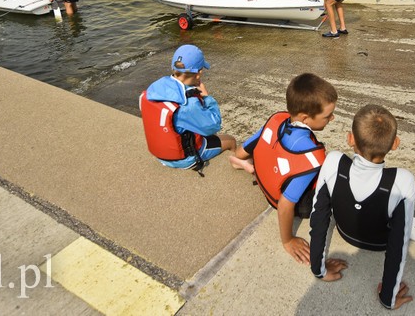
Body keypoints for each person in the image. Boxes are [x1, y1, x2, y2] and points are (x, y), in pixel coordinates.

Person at [309, 105, 415, 310]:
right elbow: (398, 244)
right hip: (379, 244)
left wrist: (319, 269)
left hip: (344, 232)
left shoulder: (333, 162)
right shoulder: (403, 181)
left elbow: (319, 217)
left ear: (350, 139)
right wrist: (388, 297)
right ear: (395, 144)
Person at [230, 73, 338, 264]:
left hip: (267, 182)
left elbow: (240, 152)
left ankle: (253, 168)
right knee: (334, 164)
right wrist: (288, 240)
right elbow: (285, 205)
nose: (332, 118)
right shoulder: (311, 157)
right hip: (290, 202)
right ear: (305, 118)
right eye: (327, 116)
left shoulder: (277, 120)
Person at [139, 44, 242, 174]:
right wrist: (206, 97)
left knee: (196, 128)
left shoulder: (155, 87)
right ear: (199, 74)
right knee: (230, 140)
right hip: (185, 158)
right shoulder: (188, 103)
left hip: (160, 153)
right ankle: (236, 165)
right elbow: (214, 125)